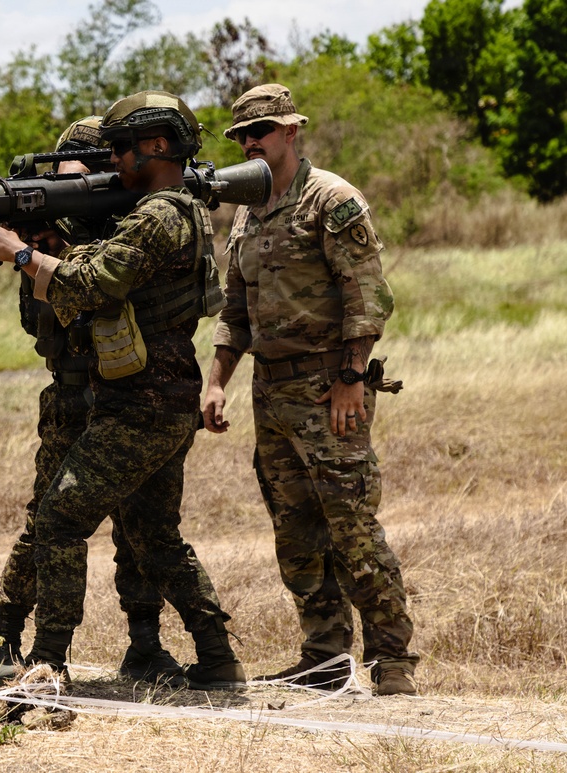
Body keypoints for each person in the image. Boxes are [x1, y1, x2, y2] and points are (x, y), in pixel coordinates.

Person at [0, 91, 245, 690]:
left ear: (158, 146)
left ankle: (46, 663)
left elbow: (95, 283)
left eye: (120, 149)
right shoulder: (163, 211)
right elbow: (53, 312)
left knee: (60, 519)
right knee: (152, 535)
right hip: (145, 398)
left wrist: (22, 252)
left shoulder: (158, 215)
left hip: (140, 403)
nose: (114, 160)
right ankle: (216, 656)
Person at [201, 83, 419, 696]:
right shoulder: (246, 212)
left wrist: (351, 377)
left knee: (351, 527)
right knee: (295, 533)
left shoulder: (332, 199)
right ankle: (324, 658)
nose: (250, 144)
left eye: (261, 132)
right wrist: (216, 384)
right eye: (242, 136)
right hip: (270, 392)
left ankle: (392, 663)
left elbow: (367, 297)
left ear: (290, 131)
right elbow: (235, 309)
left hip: (328, 388)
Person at [0, 116, 183, 685]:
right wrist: (43, 253)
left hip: (132, 395)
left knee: (140, 527)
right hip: (73, 393)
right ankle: (5, 637)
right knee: (47, 521)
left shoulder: (139, 223)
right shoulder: (49, 229)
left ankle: (146, 644)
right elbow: (37, 319)